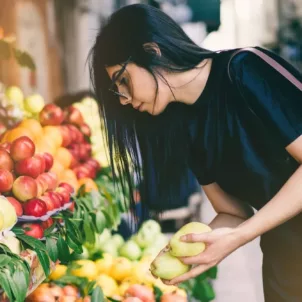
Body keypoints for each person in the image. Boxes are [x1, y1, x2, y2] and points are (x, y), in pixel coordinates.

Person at [89, 4, 302, 301]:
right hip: (285, 261)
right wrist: (190, 249)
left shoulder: (245, 69)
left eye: (122, 80)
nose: (123, 100)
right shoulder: (185, 126)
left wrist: (240, 237)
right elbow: (232, 212)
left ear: (152, 51)